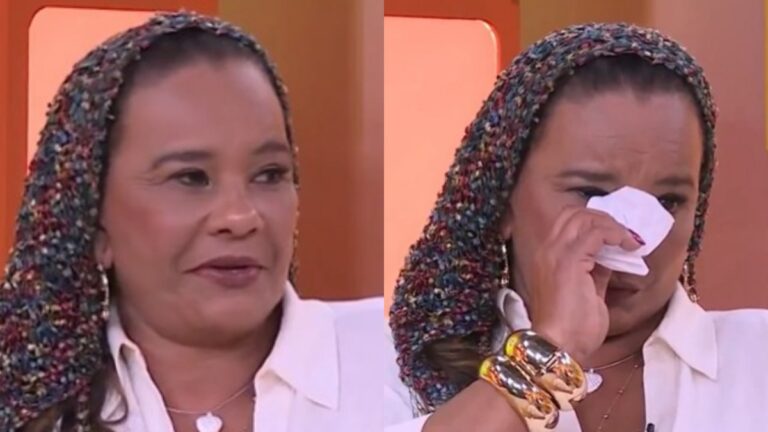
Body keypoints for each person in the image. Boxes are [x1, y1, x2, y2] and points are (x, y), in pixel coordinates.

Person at [0, 11, 382, 432]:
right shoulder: (24, 408)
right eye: (191, 178)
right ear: (92, 221)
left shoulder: (407, 361)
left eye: (269, 174)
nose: (240, 217)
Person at [386, 23, 768, 431]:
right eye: (590, 193)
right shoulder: (394, 374)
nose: (629, 238)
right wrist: (550, 348)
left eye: (667, 201)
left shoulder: (756, 359)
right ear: (501, 202)